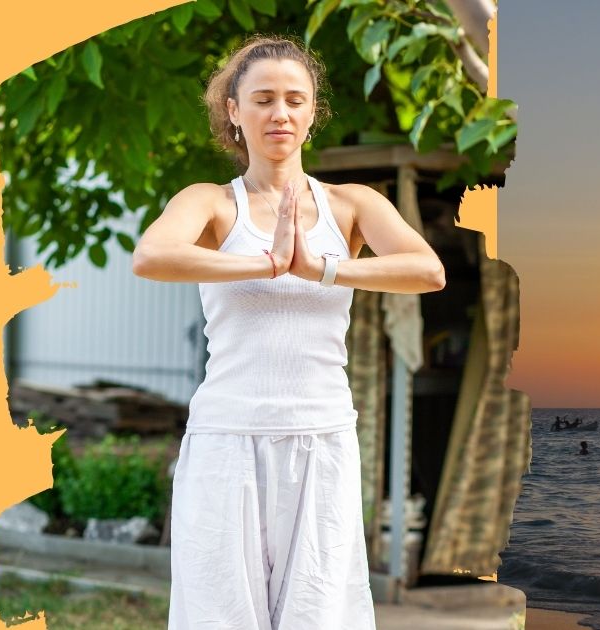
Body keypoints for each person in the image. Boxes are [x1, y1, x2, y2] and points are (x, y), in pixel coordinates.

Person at [132, 36, 445, 628]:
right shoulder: (210, 204)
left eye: (295, 100)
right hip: (228, 438)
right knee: (219, 613)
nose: (280, 113)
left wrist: (318, 267)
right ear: (234, 110)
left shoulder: (351, 205)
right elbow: (150, 257)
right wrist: (265, 263)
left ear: (311, 112)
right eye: (264, 99)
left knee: (320, 613)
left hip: (321, 436)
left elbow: (427, 271)